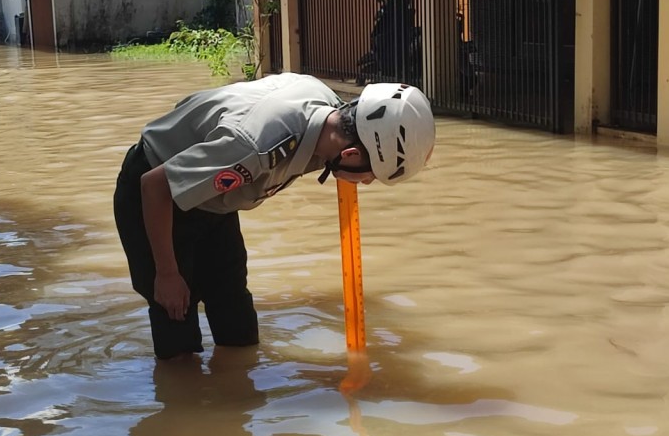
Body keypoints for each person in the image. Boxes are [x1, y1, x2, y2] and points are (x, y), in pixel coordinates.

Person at [113, 72, 436, 361]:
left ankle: (233, 399)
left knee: (235, 316)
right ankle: (181, 406)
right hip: (157, 196)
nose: (365, 183)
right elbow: (155, 186)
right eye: (369, 176)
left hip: (215, 200)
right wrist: (167, 274)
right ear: (350, 154)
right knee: (176, 317)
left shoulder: (333, 115)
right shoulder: (254, 146)